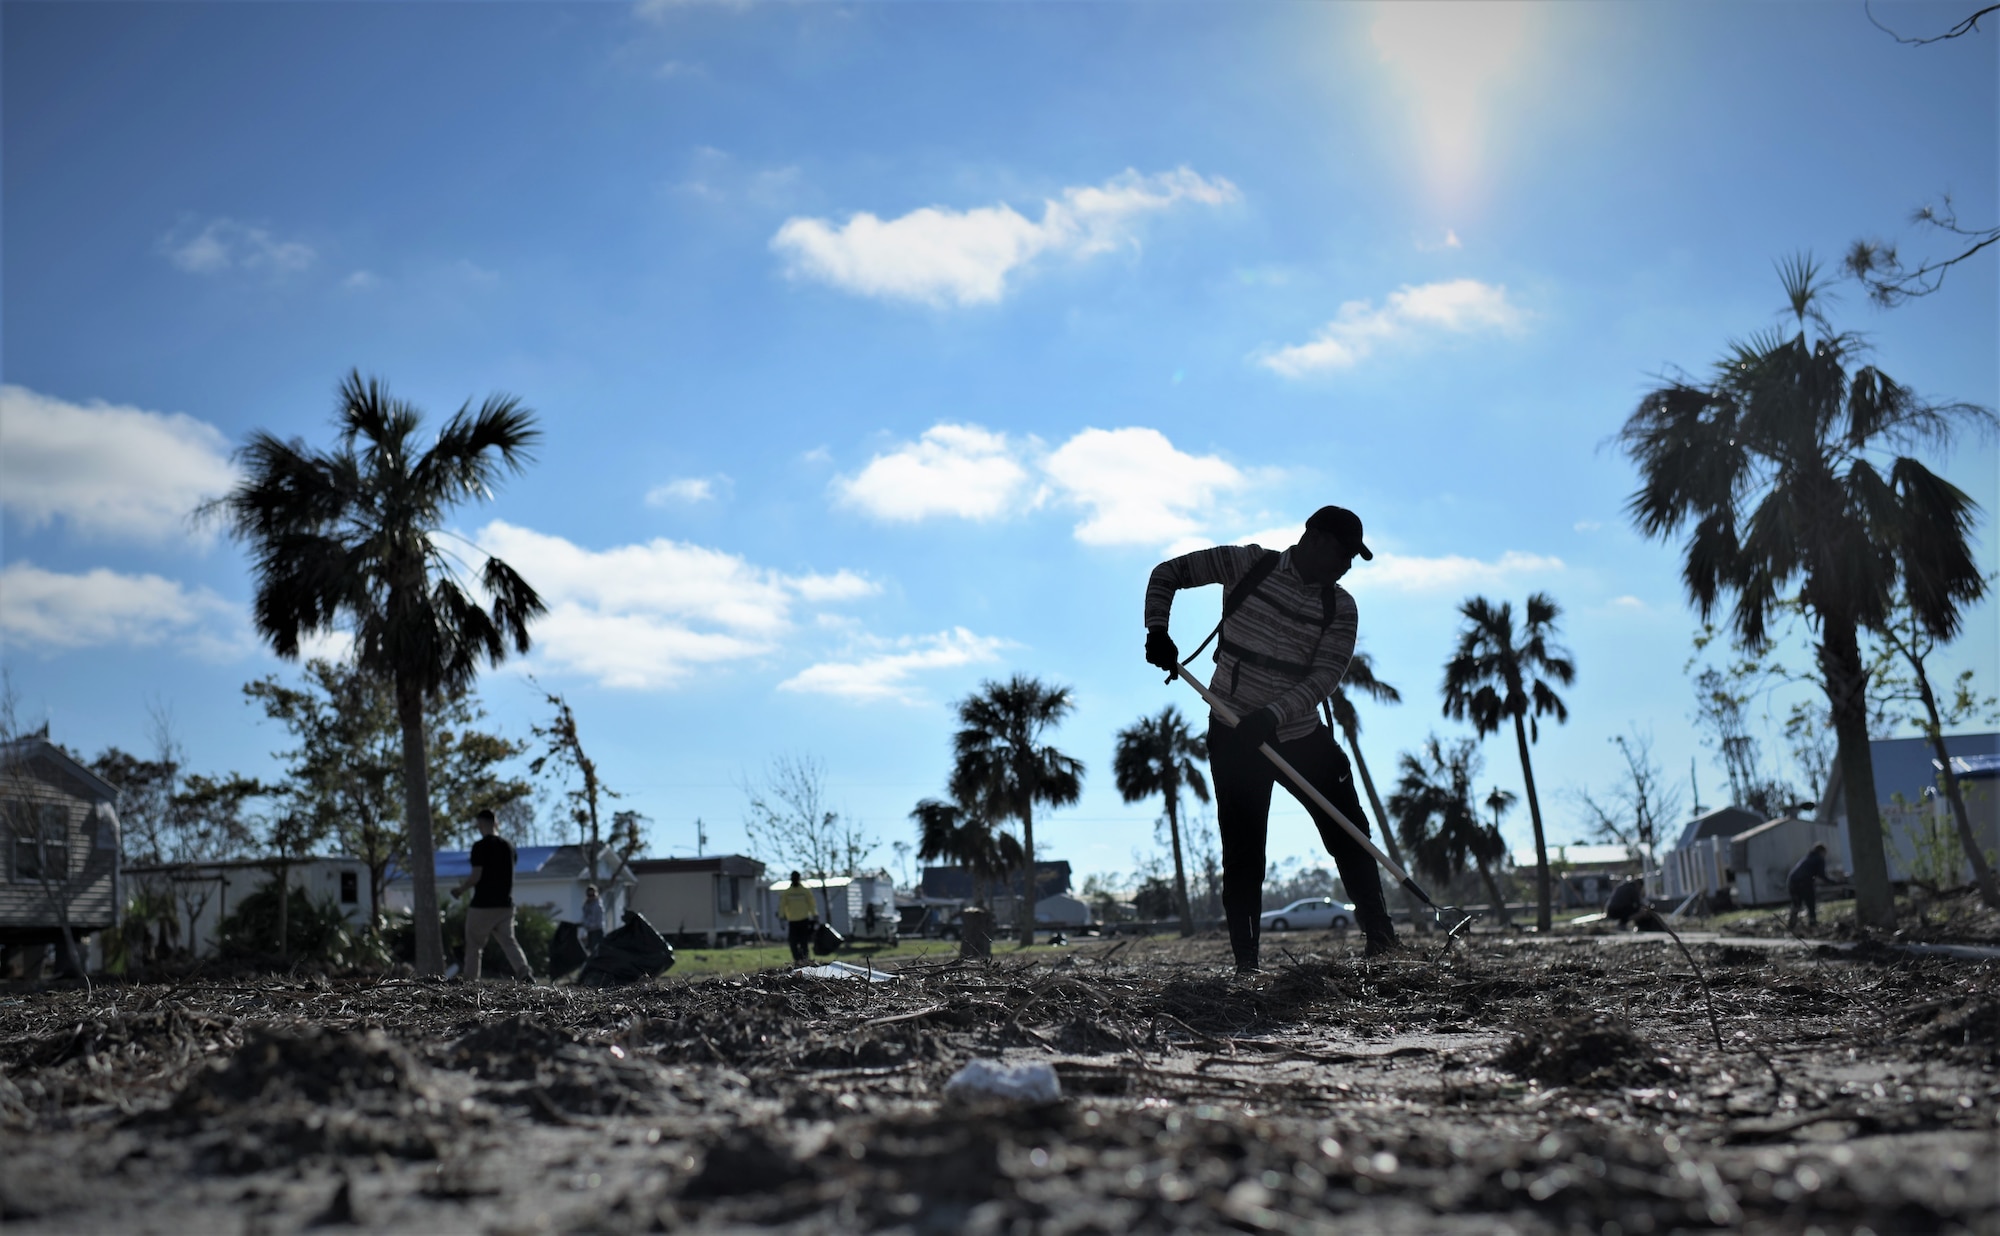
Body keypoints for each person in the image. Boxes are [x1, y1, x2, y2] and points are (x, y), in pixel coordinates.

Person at [1144, 505, 1396, 972]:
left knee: (1350, 833)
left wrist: (1274, 714)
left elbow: (1325, 677)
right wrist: (1157, 630)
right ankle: (1247, 966)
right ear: (1315, 539)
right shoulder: (1246, 564)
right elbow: (1168, 573)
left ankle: (1382, 943)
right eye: (1344, 554)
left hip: (1301, 736)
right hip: (1233, 734)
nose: (1347, 567)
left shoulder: (1340, 607)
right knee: (1243, 853)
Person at [450, 808, 533, 982]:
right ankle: (524, 973)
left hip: (483, 905)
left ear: (480, 825)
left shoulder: (480, 847)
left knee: (474, 944)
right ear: (496, 823)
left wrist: (460, 890)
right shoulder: (509, 847)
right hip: (505, 905)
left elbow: (476, 876)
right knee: (509, 942)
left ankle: (470, 981)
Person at [1788, 843, 1836, 930]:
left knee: (1796, 904)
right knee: (1810, 904)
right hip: (1804, 882)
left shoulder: (1808, 857)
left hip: (1792, 881)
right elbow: (1822, 875)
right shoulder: (1819, 859)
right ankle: (1812, 923)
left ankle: (1791, 925)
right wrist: (1833, 882)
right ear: (1821, 851)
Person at [778, 871, 819, 964]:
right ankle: (797, 960)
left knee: (804, 942)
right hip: (792, 921)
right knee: (793, 943)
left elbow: (812, 904)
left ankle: (805, 960)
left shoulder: (805, 891)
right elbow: (782, 906)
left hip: (804, 920)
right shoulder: (787, 892)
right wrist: (781, 918)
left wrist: (815, 915)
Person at [581, 884, 606, 953]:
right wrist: (585, 924)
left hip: (597, 931)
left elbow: (598, 921)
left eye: (593, 895)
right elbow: (584, 917)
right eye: (589, 895)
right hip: (590, 932)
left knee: (598, 951)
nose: (591, 897)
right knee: (591, 951)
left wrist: (589, 924)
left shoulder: (598, 905)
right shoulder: (586, 905)